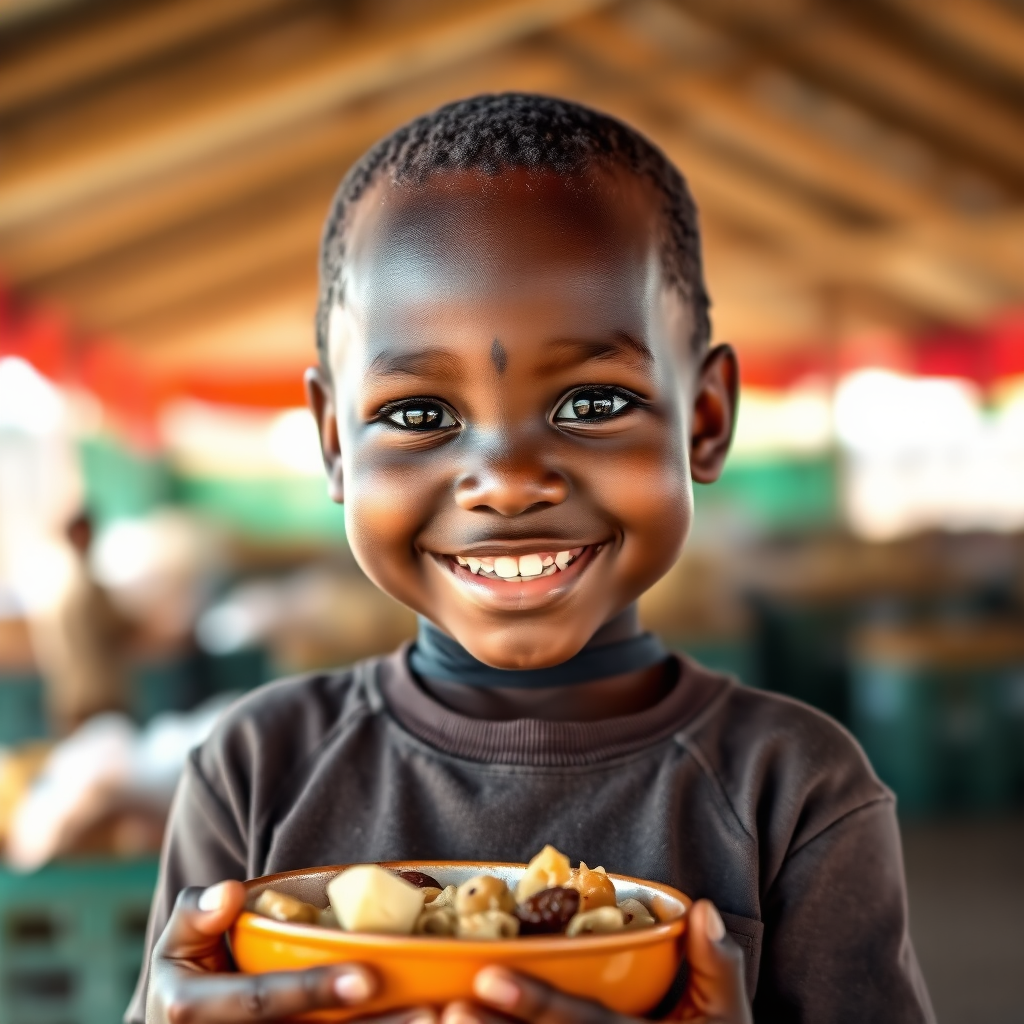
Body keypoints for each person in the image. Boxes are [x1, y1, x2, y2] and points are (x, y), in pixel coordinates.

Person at [128, 94, 935, 1024]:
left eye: (592, 404)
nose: (506, 482)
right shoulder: (256, 769)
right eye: (420, 415)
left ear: (705, 420)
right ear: (335, 446)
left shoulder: (792, 789)